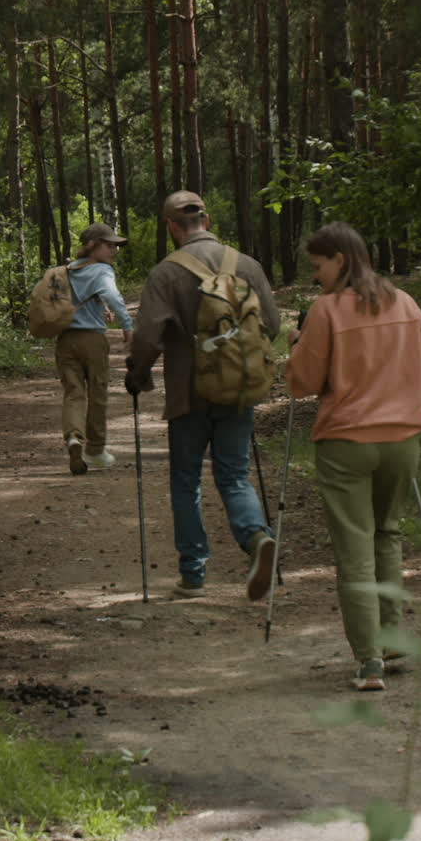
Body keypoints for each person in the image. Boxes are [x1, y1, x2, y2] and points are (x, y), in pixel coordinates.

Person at [284, 222, 421, 692]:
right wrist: (411, 407)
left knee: (354, 547)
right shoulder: (405, 303)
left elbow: (304, 383)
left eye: (318, 266)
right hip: (401, 438)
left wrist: (295, 354)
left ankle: (369, 659)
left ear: (339, 259)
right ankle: (391, 637)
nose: (316, 276)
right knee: (387, 534)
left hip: (346, 441)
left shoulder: (327, 310)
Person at [125, 190, 281, 598]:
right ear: (206, 221)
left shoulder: (166, 272)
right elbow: (273, 324)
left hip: (188, 392)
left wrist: (138, 375)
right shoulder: (246, 264)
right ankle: (256, 537)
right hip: (239, 389)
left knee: (186, 480)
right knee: (233, 474)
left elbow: (147, 337)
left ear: (172, 227)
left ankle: (193, 575)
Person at [55, 222, 133, 476]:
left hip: (65, 341)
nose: (114, 250)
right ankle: (95, 448)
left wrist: (101, 308)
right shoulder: (102, 270)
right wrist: (127, 325)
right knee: (98, 392)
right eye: (108, 244)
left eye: (115, 246)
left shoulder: (66, 270)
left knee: (74, 393)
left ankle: (73, 438)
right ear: (91, 245)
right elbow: (112, 294)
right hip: (92, 340)